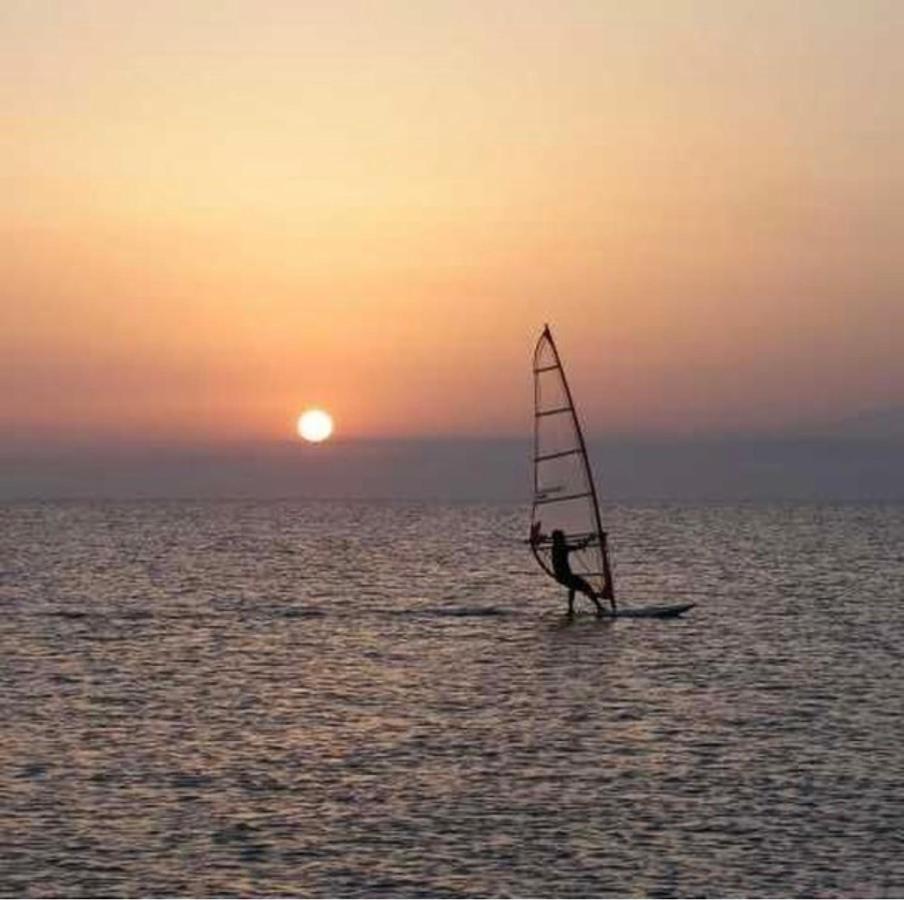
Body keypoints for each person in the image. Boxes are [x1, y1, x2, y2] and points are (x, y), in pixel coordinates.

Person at [549, 529, 607, 616]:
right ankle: (599, 607)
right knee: (586, 587)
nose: (564, 539)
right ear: (559, 539)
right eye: (562, 538)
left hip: (562, 576)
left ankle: (571, 610)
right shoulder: (561, 547)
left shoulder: (556, 547)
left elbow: (576, 546)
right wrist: (590, 539)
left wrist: (588, 539)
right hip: (564, 576)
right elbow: (578, 547)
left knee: (573, 588)